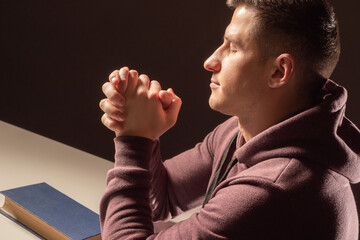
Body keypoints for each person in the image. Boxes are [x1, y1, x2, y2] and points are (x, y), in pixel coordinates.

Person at [99, 0, 360, 239]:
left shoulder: (272, 190)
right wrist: (143, 132)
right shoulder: (242, 131)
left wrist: (133, 140)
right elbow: (162, 199)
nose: (210, 61)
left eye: (233, 48)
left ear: (279, 71)